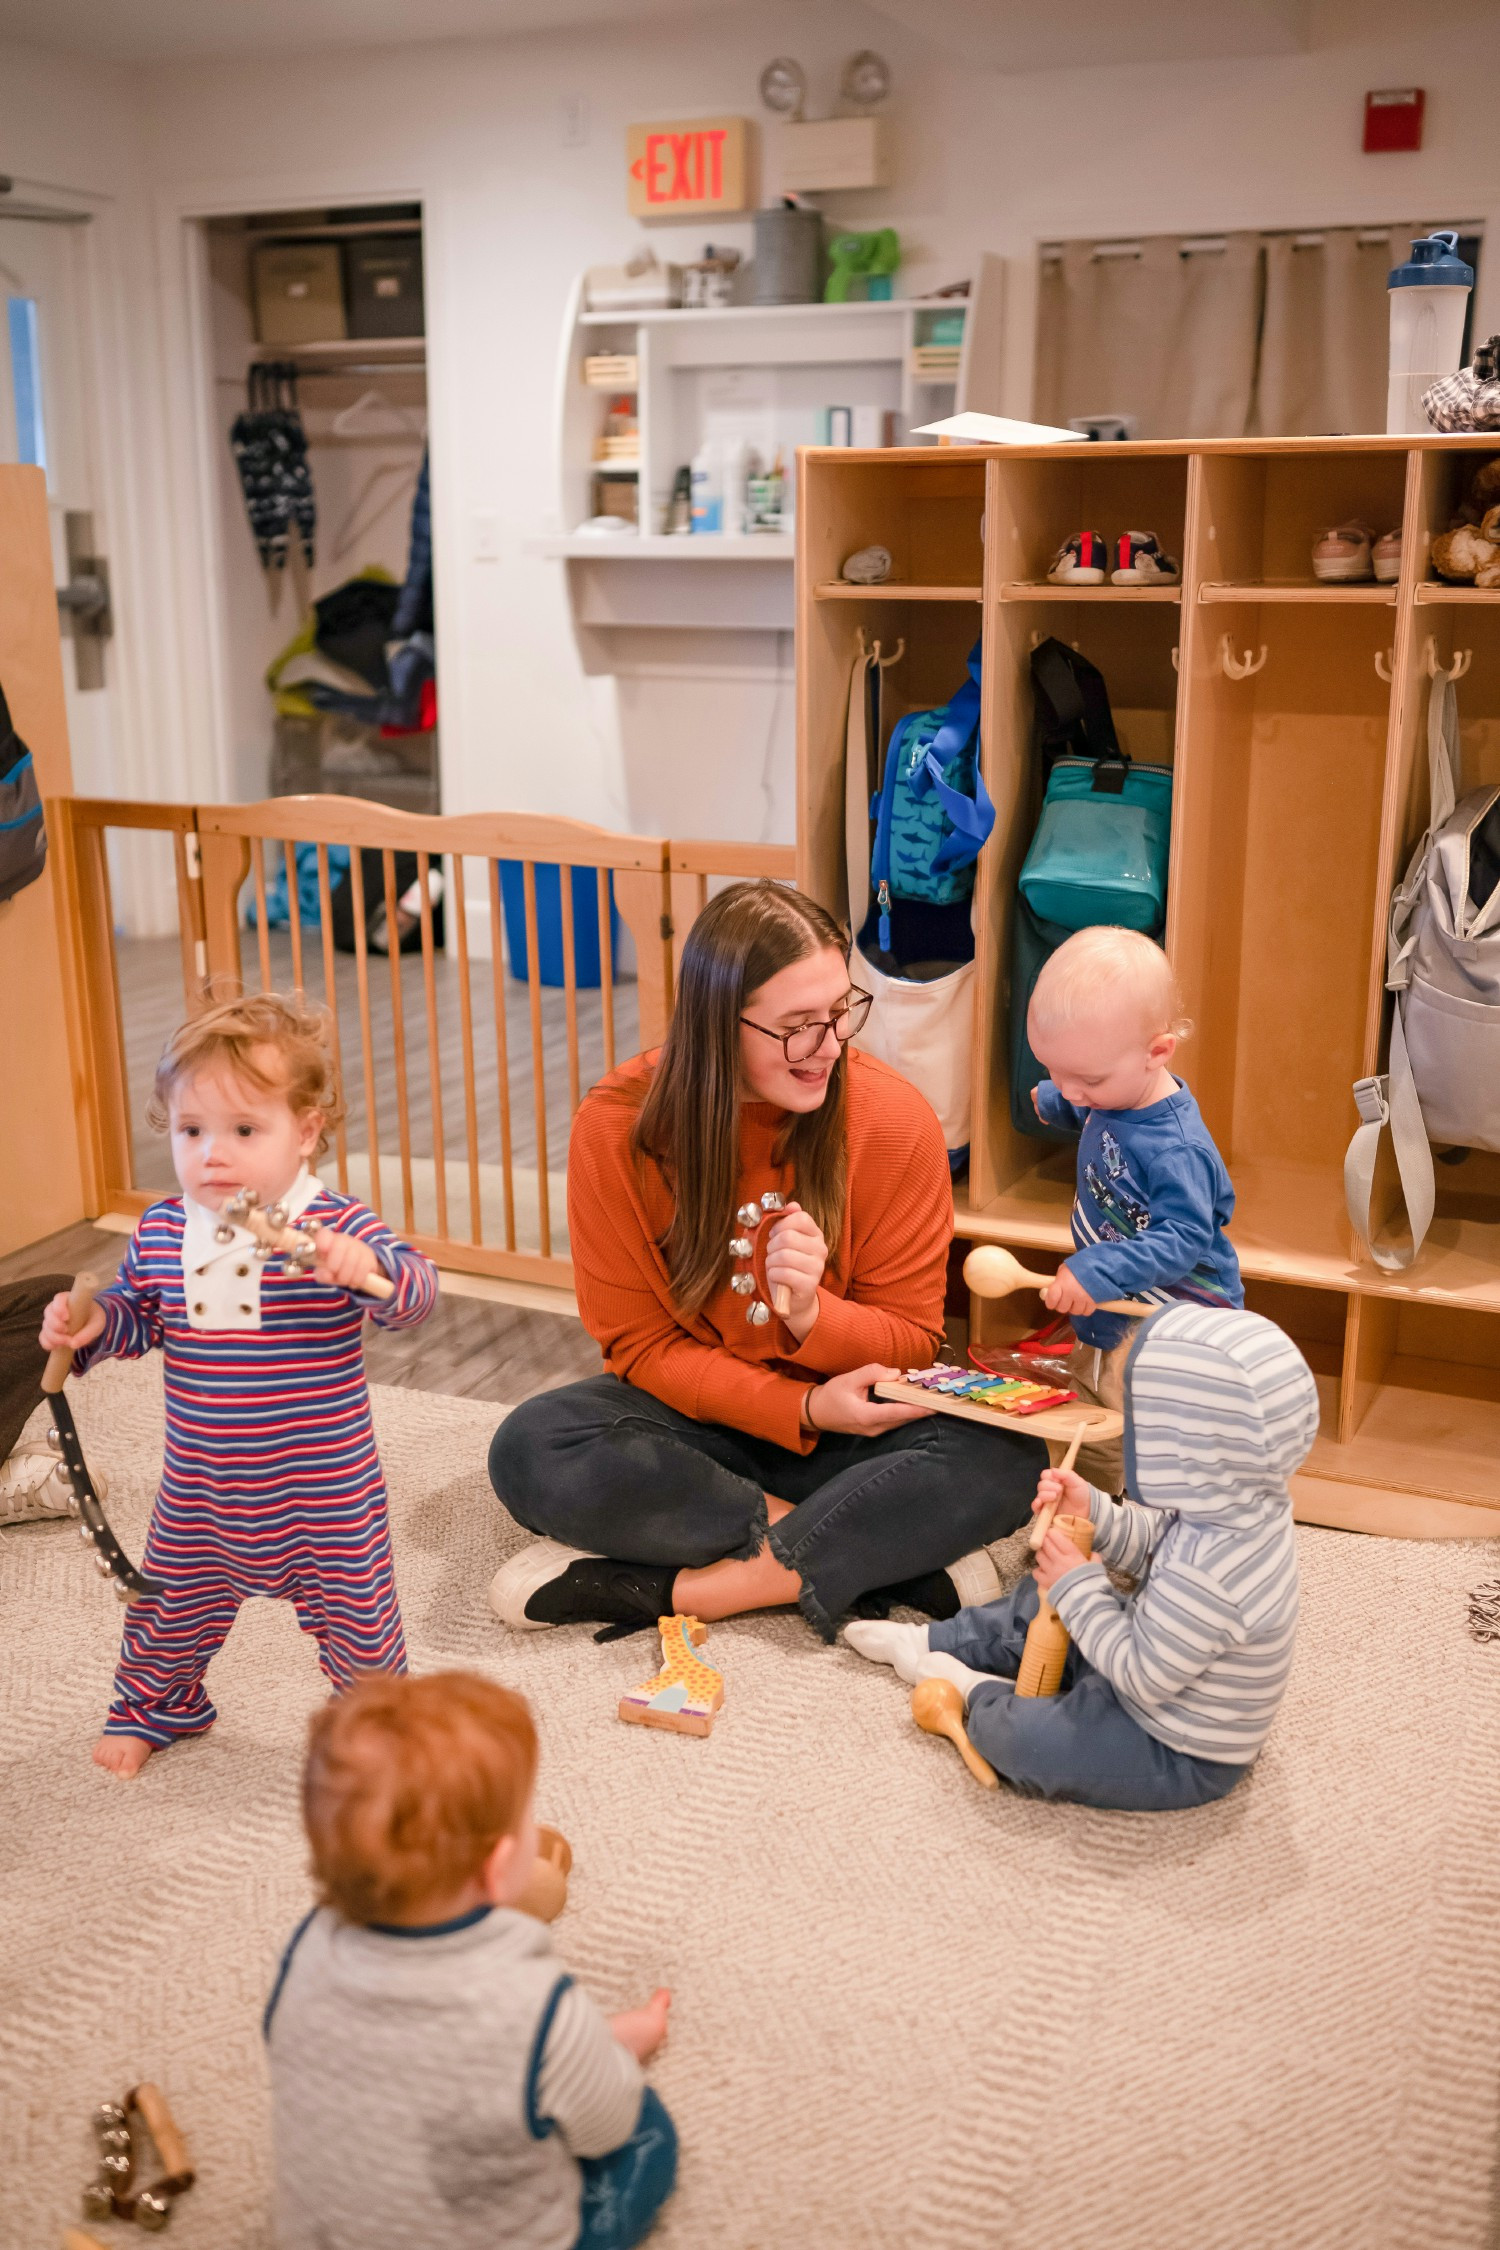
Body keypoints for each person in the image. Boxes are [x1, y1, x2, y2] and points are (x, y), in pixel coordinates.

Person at [489, 881, 1041, 1644]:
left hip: (853, 1429)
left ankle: (685, 1591)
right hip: (705, 1426)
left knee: (1006, 1449)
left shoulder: (893, 1120)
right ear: (719, 1025)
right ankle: (892, 1563)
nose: (829, 1046)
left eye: (840, 1011)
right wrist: (801, 1410)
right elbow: (639, 1347)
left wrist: (815, 1317)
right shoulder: (617, 1126)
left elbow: (913, 1340)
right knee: (535, 1446)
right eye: (795, 1027)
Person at [38, 990, 437, 1777]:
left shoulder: (336, 1226)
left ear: (307, 1131)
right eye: (191, 1131)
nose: (211, 1155)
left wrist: (374, 1271)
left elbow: (417, 1297)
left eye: (244, 1131)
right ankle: (158, 1705)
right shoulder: (161, 1228)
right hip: (203, 1485)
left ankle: (374, 1724)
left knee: (363, 1624)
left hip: (325, 1487)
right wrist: (91, 1330)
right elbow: (140, 1315)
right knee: (166, 1612)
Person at [846, 1304, 1320, 1811]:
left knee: (1027, 1742)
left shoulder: (1217, 1574)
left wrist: (1081, 1591)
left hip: (1170, 1744)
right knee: (1036, 1600)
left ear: (1188, 1445)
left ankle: (973, 1693)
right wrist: (1094, 1509)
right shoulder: (1233, 1504)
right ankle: (931, 1641)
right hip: (1140, 1662)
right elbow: (1160, 1540)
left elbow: (1142, 1676)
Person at [266, 1669, 677, 2250]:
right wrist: (597, 2050)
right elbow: (601, 2128)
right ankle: (583, 2062)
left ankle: (568, 2064)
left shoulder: (304, 1949)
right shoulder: (536, 2003)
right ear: (497, 1867)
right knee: (646, 2128)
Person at [1027, 925, 1243, 1482]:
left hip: (1173, 1329)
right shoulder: (1115, 1094)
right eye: (1054, 1070)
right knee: (1091, 1427)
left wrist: (1096, 1269)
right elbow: (1104, 1116)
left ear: (1158, 1052)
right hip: (1113, 1315)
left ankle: (1157, 1541)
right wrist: (1065, 1100)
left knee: (1160, 1453)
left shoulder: (1179, 1149)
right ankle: (1095, 1520)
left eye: (1086, 1079)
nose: (1072, 1089)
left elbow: (1182, 1240)